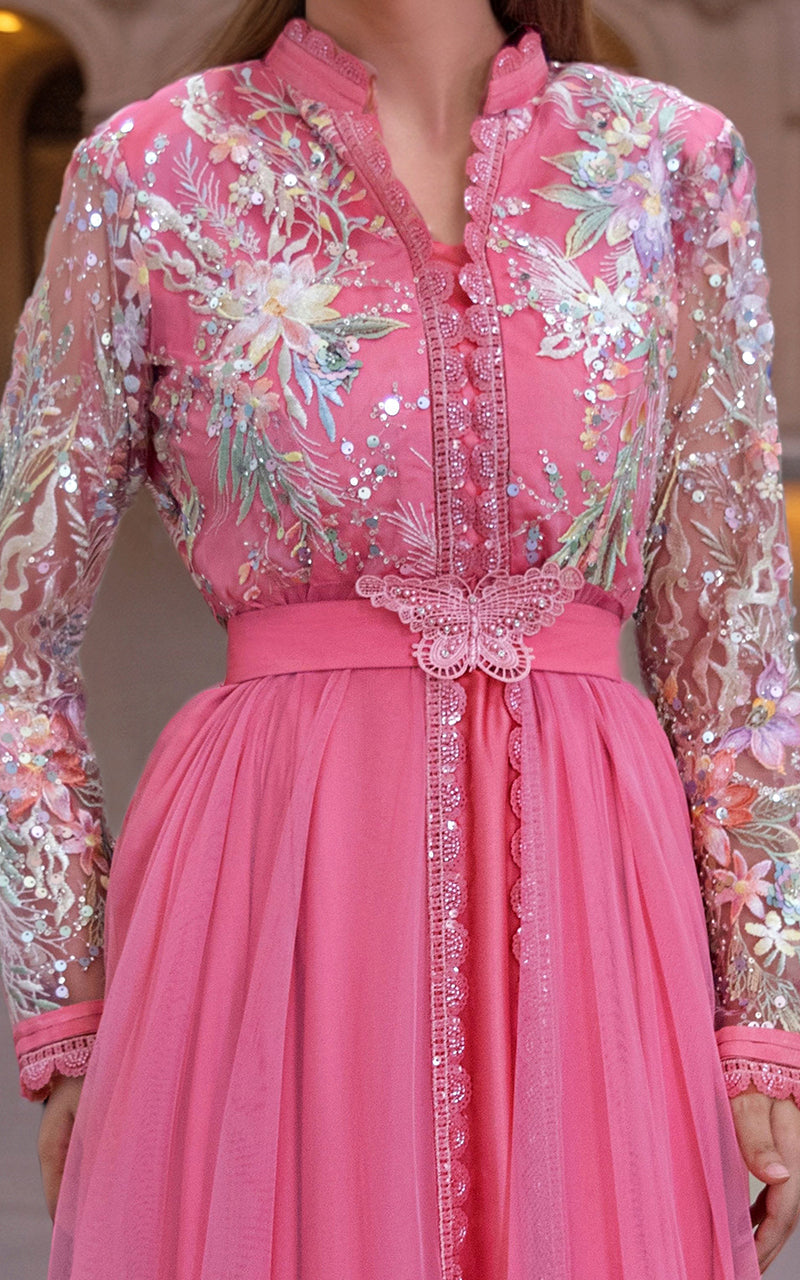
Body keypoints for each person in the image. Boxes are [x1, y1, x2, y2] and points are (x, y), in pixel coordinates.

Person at [2, 0, 800, 1274]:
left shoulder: (670, 162)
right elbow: (14, 638)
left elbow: (734, 639)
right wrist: (68, 1007)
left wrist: (763, 1010)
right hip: (271, 899)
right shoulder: (153, 169)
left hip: (595, 905)